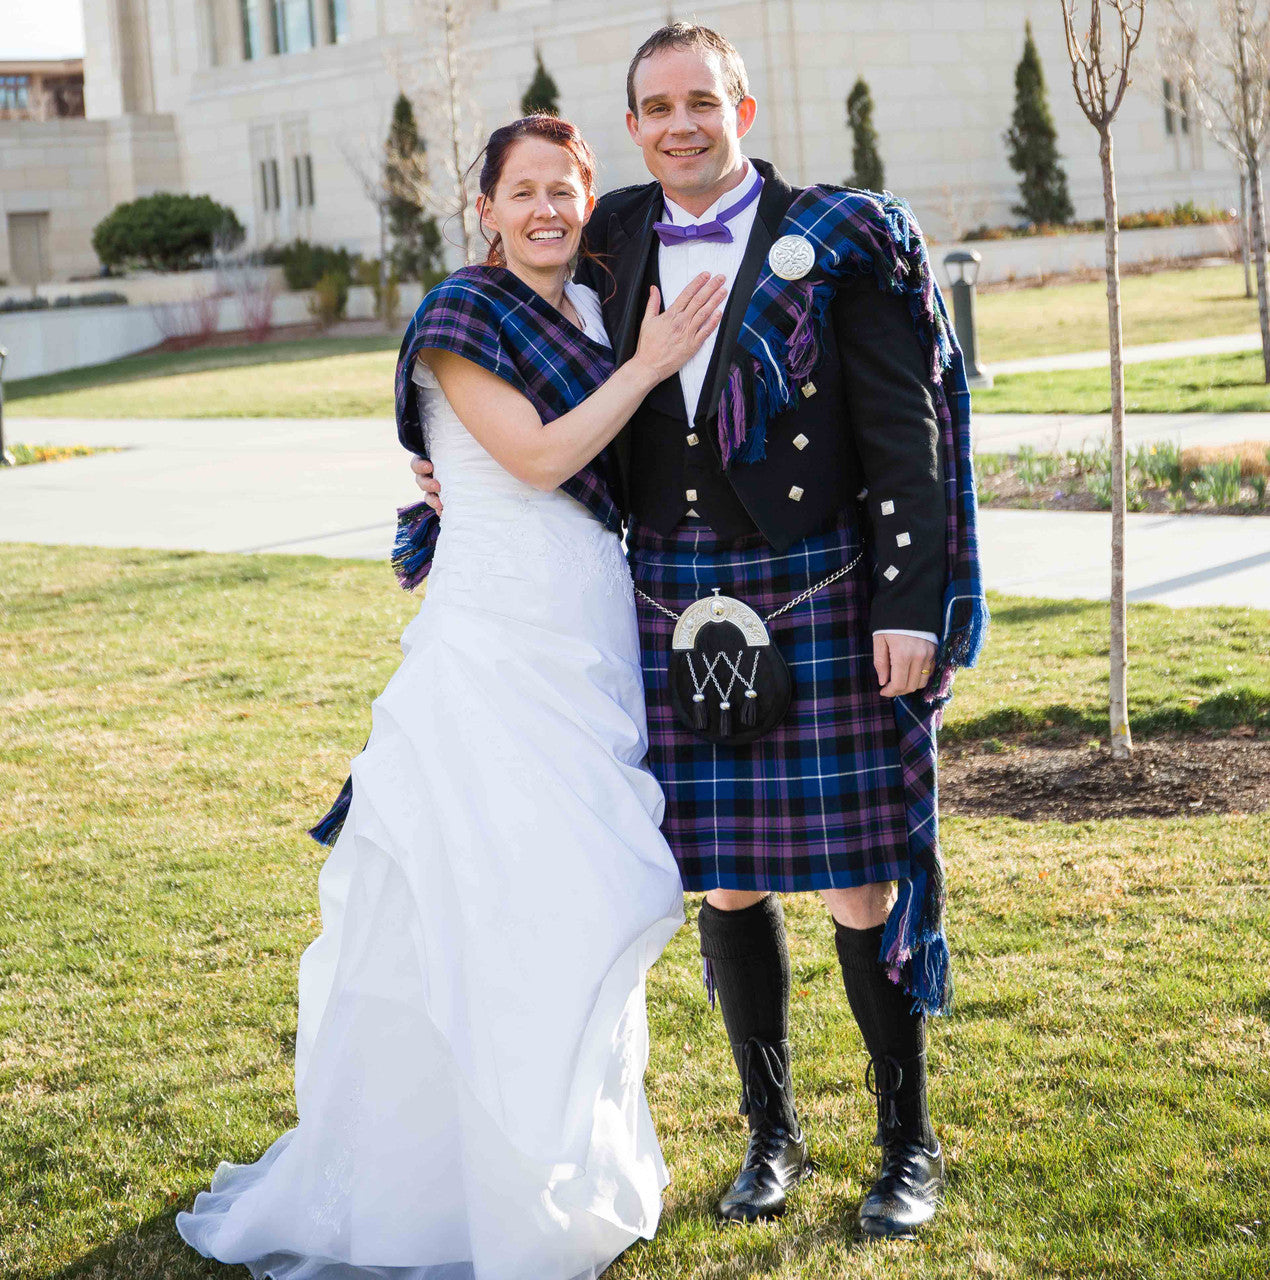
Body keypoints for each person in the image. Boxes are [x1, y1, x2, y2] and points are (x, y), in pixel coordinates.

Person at [413, 25, 986, 1241]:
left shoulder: (834, 240)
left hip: (821, 588)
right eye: (655, 108)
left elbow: (905, 434)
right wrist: (441, 464)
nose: (679, 124)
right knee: (722, 877)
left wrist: (904, 604)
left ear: (743, 105)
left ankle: (904, 1144)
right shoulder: (610, 235)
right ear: (631, 127)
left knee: (858, 881)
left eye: (699, 103)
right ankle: (769, 1137)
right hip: (669, 592)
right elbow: (509, 350)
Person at [175, 114, 729, 1280]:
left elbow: (621, 463)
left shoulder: (587, 305)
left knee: (577, 900)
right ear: (484, 207)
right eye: (521, 190)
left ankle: (573, 1163)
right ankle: (456, 1194)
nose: (544, 209)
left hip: (589, 635)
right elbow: (532, 460)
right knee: (490, 901)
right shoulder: (461, 318)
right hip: (492, 648)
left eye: (563, 189)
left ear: (588, 198)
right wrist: (648, 362)